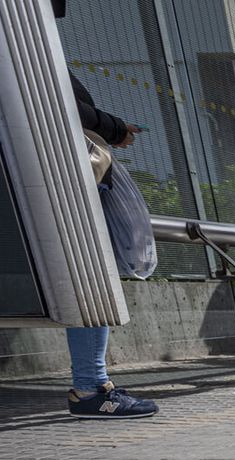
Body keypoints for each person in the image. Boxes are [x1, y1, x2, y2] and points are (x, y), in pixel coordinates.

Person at [61, 57, 157, 415]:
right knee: (92, 278)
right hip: (64, 181)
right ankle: (92, 388)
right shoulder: (17, 40)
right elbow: (63, 104)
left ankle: (92, 385)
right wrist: (115, 129)